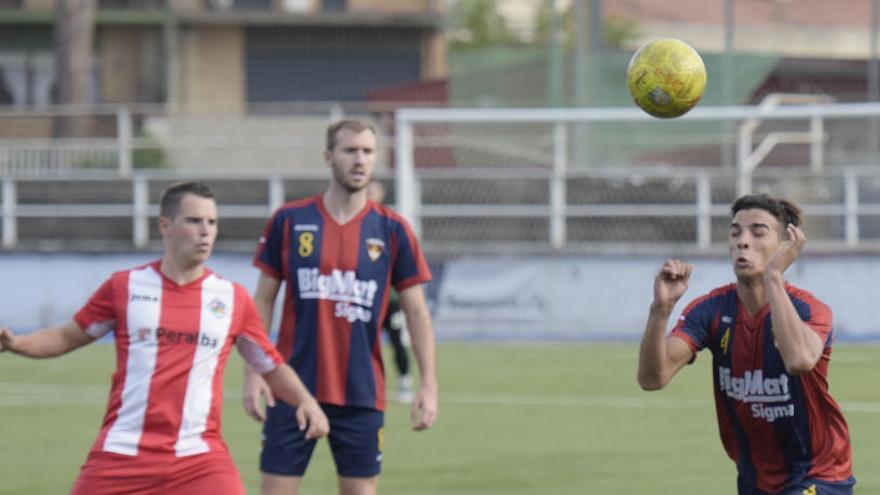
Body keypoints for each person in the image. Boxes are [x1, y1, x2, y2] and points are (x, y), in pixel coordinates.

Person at [0, 181, 329, 495]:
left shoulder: (232, 298)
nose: (206, 231)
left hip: (199, 458)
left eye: (212, 222)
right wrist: (15, 344)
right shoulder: (124, 287)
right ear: (165, 226)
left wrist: (306, 401)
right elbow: (64, 337)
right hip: (122, 453)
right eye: (194, 220)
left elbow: (270, 365)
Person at [243, 119, 438, 495]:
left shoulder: (393, 230)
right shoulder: (290, 219)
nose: (360, 160)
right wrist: (255, 372)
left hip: (361, 393)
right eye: (350, 150)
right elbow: (263, 300)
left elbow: (417, 313)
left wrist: (427, 384)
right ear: (329, 156)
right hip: (290, 387)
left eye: (367, 151)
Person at [637, 193, 855, 495]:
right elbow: (652, 378)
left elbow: (800, 359)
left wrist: (773, 277)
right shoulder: (711, 310)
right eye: (735, 231)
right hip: (754, 478)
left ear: (784, 246)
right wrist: (659, 310)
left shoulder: (809, 310)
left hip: (818, 475)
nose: (742, 240)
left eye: (758, 232)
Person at [366, 179, 415, 403]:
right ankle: (366, 384)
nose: (370, 193)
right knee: (363, 344)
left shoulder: (390, 225)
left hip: (391, 299)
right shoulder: (355, 226)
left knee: (397, 341)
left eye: (374, 189)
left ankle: (404, 381)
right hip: (366, 299)